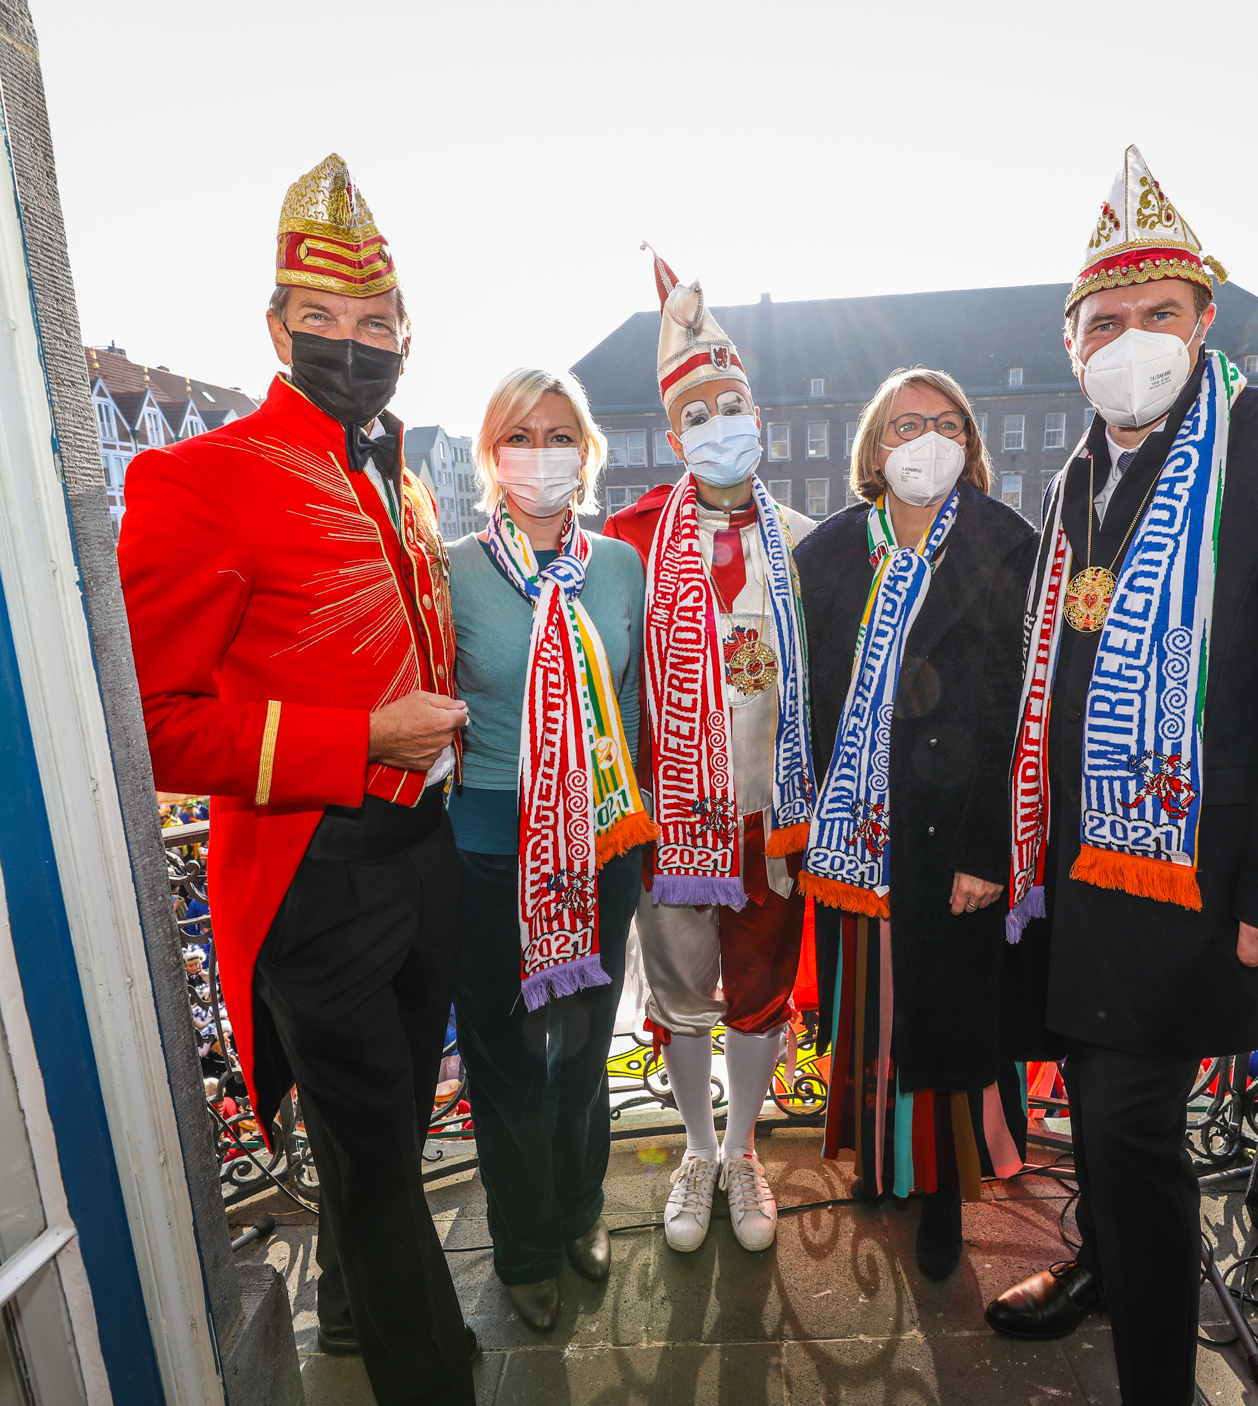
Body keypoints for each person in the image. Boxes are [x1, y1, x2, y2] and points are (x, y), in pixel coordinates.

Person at [987, 146, 1258, 1405]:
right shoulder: (1071, 479)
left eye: (1157, 313)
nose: (1130, 338)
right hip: (1081, 875)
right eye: (1102, 321)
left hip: (1199, 881)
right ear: (1070, 348)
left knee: (1124, 1127)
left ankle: (1154, 1376)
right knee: (1101, 1115)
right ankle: (1099, 1261)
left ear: (1205, 319)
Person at [117, 154, 477, 1405]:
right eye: (319, 322)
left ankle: (341, 1322)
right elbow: (160, 728)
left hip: (422, 858)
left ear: (406, 338)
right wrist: (358, 738)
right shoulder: (193, 477)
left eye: (374, 324)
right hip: (311, 871)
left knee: (376, 1122)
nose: (350, 344)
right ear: (273, 328)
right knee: (377, 1156)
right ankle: (431, 1371)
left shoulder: (406, 479)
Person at [794, 366, 1044, 1282]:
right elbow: (804, 701)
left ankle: (940, 1190)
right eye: (906, 423)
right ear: (875, 444)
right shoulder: (826, 555)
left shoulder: (1003, 545)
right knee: (872, 1013)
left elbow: (1017, 710)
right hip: (857, 837)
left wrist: (989, 847)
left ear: (970, 444)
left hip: (951, 836)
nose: (925, 438)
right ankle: (881, 1162)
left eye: (946, 421)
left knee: (943, 1018)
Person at [602, 250, 819, 1256]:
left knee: (760, 997)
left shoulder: (805, 539)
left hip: (769, 818)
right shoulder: (631, 540)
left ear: (756, 413)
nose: (717, 425)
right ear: (673, 430)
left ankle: (742, 1152)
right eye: (697, 415)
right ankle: (693, 1146)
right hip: (677, 813)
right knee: (685, 994)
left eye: (730, 405)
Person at [447, 367, 651, 1331]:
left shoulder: (618, 568)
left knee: (580, 1052)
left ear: (587, 450)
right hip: (490, 854)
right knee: (504, 1061)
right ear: (493, 455)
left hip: (600, 853)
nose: (542, 453)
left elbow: (643, 707)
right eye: (521, 435)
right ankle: (523, 1243)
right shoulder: (450, 570)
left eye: (559, 433)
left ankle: (579, 1209)